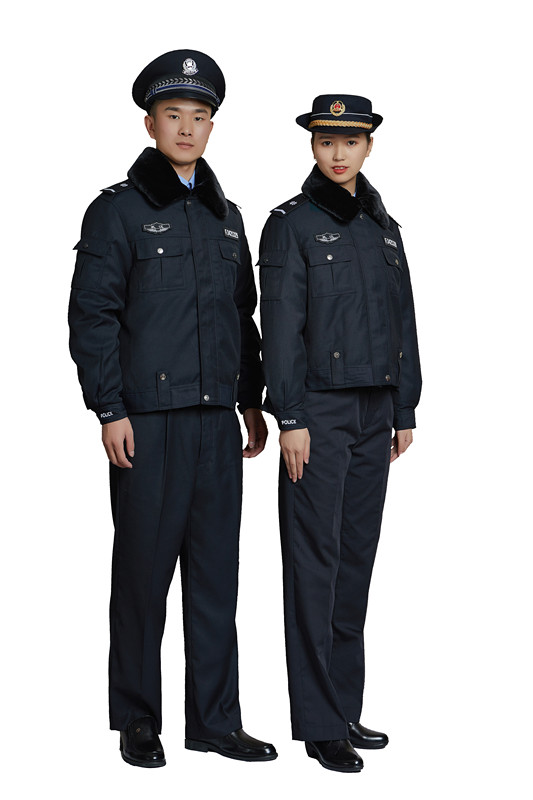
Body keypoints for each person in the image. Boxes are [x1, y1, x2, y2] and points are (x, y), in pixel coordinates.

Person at [68, 49, 277, 767]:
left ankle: (215, 721)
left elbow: (242, 318)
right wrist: (108, 408)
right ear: (150, 123)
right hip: (148, 424)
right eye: (173, 114)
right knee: (142, 577)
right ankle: (137, 718)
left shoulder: (228, 219)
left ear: (212, 126)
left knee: (216, 579)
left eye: (199, 116)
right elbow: (92, 315)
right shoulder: (117, 211)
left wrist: (251, 402)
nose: (187, 128)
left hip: (217, 423)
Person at [258, 94, 422, 773]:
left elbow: (403, 319)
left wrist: (405, 408)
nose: (337, 153)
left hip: (374, 413)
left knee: (354, 562)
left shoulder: (384, 228)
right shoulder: (290, 224)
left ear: (368, 146)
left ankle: (345, 708)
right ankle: (319, 724)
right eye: (326, 140)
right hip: (318, 415)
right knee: (313, 565)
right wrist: (289, 416)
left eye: (349, 141)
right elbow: (280, 326)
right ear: (312, 145)